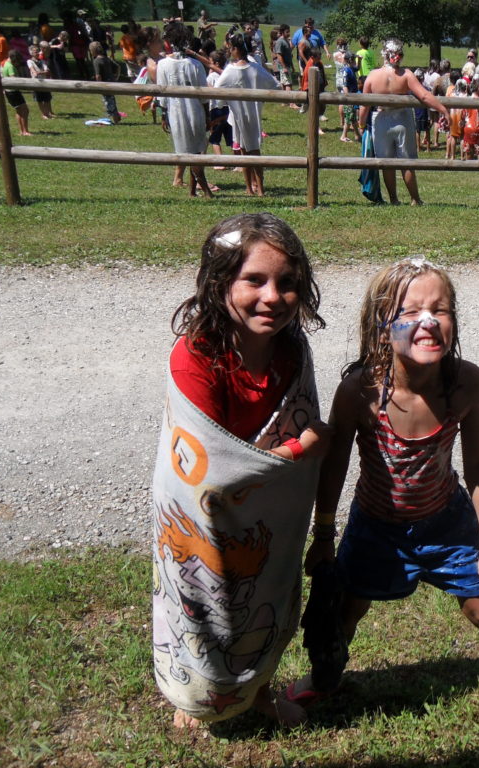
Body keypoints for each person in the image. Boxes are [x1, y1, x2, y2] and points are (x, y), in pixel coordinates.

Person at [291, 257, 479, 729]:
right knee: (348, 607)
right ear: (380, 328)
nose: (427, 320)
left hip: (446, 520)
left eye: (440, 310)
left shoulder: (467, 385)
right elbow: (334, 466)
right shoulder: (359, 390)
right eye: (410, 310)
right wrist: (323, 533)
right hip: (375, 525)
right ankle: (325, 676)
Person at [154, 212, 329, 731]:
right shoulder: (196, 358)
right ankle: (197, 696)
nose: (272, 296)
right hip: (201, 523)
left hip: (265, 521)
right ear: (219, 282)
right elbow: (207, 470)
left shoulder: (292, 353)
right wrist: (300, 449)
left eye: (288, 283)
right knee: (205, 607)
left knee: (263, 600)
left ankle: (256, 692)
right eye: (254, 279)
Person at [359, 39, 449, 206]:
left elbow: (364, 105)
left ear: (384, 54)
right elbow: (424, 96)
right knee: (407, 162)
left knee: (386, 163)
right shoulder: (406, 75)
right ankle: (415, 198)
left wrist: (361, 124)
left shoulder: (372, 76)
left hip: (380, 119)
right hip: (402, 119)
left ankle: (393, 199)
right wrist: (443, 109)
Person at [216, 33, 279, 196]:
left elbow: (217, 91)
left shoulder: (231, 70)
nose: (229, 51)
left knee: (245, 151)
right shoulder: (255, 68)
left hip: (239, 116)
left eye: (231, 48)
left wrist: (222, 103)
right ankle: (257, 188)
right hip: (252, 115)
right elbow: (274, 84)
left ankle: (251, 188)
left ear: (236, 49)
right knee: (254, 151)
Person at [155, 21, 212, 197]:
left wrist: (163, 114)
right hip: (194, 110)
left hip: (176, 112)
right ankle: (204, 189)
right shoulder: (194, 65)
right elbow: (204, 95)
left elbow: (161, 94)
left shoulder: (163, 65)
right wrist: (207, 114)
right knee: (195, 151)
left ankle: (194, 189)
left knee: (192, 151)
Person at [1, 49, 33, 136]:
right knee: (25, 110)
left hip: (9, 92)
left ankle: (22, 131)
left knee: (19, 111)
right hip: (13, 92)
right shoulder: (10, 66)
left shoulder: (4, 63)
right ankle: (25, 131)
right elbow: (13, 79)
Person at [89, 41, 122, 123]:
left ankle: (116, 119)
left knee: (109, 102)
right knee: (112, 100)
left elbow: (98, 75)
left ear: (93, 51)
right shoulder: (106, 58)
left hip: (104, 85)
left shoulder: (96, 61)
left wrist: (99, 85)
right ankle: (117, 116)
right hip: (111, 82)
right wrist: (116, 77)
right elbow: (118, 67)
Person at [461, 77, 479, 161]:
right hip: (478, 128)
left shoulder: (466, 100)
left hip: (468, 128)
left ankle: (469, 167)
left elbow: (462, 115)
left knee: (469, 149)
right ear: (478, 89)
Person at [27, 43, 55, 119]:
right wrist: (42, 72)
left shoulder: (42, 61)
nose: (37, 53)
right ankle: (44, 114)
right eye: (35, 52)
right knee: (39, 99)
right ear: (31, 53)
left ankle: (48, 113)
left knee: (46, 98)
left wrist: (40, 72)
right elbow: (34, 72)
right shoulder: (29, 61)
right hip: (36, 82)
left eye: (37, 51)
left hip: (44, 81)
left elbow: (47, 71)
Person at [272, 24, 297, 100]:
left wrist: (292, 66)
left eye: (289, 31)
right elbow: (279, 55)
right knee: (288, 83)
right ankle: (291, 103)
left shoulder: (286, 40)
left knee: (284, 83)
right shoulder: (280, 41)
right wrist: (284, 67)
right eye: (287, 32)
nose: (289, 33)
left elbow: (289, 54)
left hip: (287, 65)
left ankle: (284, 101)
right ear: (282, 32)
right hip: (284, 66)